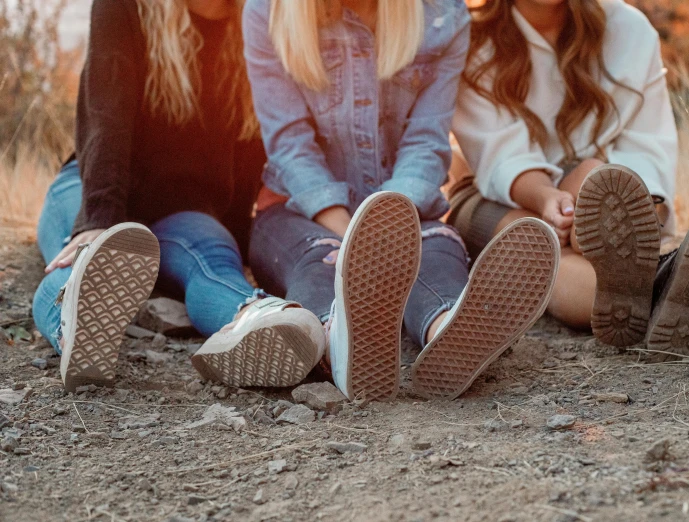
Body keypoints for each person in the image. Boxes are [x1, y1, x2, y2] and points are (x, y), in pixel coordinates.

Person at [243, 0, 560, 401]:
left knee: (437, 251)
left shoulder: (442, 14)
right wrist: (361, 236)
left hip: (404, 205)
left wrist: (392, 221)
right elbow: (290, 145)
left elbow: (427, 141)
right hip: (297, 211)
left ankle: (448, 329)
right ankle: (338, 340)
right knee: (319, 259)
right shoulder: (266, 11)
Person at [449, 0, 689, 355]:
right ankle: (670, 284)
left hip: (596, 180)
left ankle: (645, 285)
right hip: (492, 194)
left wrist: (587, 209)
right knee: (536, 243)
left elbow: (646, 149)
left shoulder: (630, 30)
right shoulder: (472, 39)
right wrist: (547, 200)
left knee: (600, 183)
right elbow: (499, 156)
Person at [32, 0, 325, 393]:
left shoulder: (258, 20)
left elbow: (250, 146)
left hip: (184, 210)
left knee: (217, 264)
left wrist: (238, 241)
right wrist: (98, 220)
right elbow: (106, 113)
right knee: (78, 256)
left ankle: (258, 318)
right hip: (93, 183)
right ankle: (73, 327)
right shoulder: (127, 7)